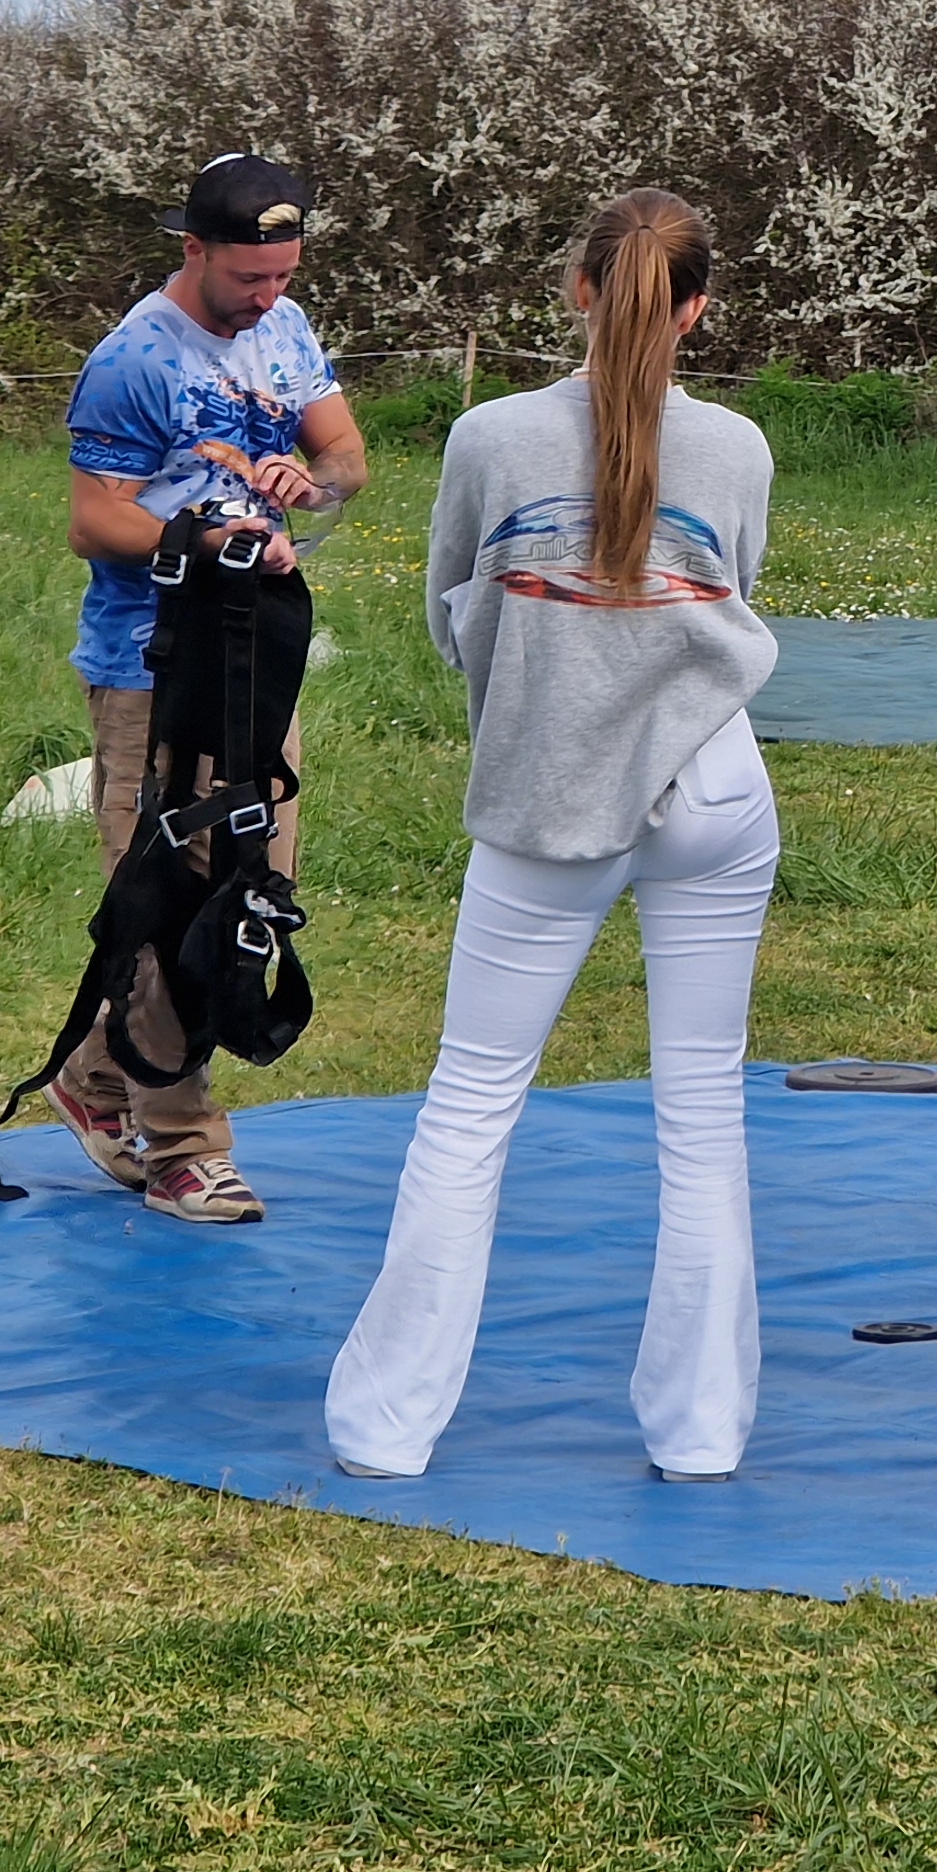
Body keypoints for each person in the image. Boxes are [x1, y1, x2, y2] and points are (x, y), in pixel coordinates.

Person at [327, 190, 782, 1485]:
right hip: (718, 791)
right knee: (703, 1111)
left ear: (578, 290)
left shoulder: (489, 437)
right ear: (697, 311)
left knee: (471, 1105)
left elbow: (451, 609)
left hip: (551, 798)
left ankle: (385, 1431)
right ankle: (701, 1437)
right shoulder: (739, 448)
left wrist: (544, 690)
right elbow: (731, 593)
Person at [53, 151, 367, 1225]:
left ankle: (96, 1077)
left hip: (257, 653)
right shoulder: (132, 359)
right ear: (193, 250)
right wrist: (204, 536)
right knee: (166, 900)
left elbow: (346, 455)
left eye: (284, 276)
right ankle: (183, 1148)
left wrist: (309, 485)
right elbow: (94, 519)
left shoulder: (288, 327)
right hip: (153, 659)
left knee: (251, 888)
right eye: (248, 278)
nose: (267, 297)